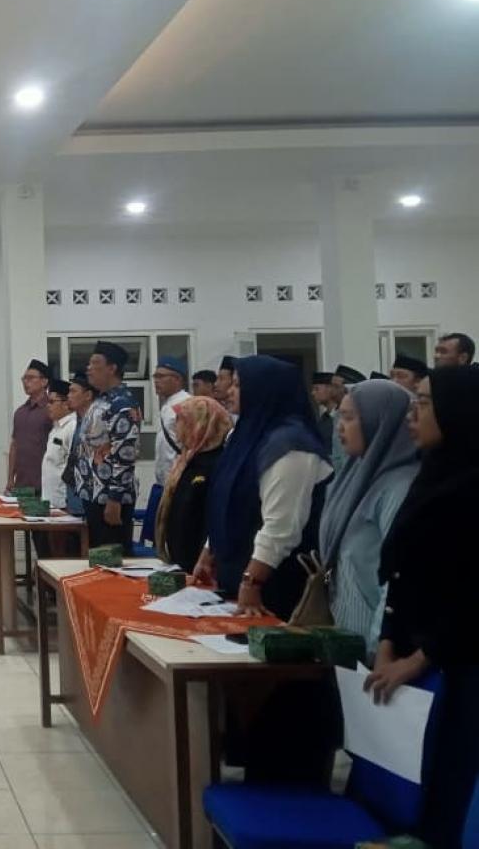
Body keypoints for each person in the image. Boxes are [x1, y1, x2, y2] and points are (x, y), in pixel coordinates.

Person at [364, 365, 479, 848]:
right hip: (409, 652)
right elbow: (401, 572)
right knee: (403, 785)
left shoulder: (471, 488)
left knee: (449, 784)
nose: (413, 414)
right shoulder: (430, 475)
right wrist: (389, 643)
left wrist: (419, 658)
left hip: (459, 663)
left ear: (458, 412)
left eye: (425, 403)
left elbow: (472, 596)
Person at [194, 356, 332, 618]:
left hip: (273, 584)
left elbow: (282, 527)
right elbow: (227, 501)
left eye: (238, 385)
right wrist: (209, 551)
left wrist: (252, 581)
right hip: (238, 575)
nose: (229, 391)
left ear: (265, 390)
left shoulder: (292, 446)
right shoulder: (247, 434)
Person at [316, 379, 417, 652]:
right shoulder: (356, 475)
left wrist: (379, 647)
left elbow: (395, 579)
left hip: (373, 650)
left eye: (349, 418)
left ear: (380, 422)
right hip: (344, 637)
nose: (340, 427)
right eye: (340, 417)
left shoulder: (399, 486)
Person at [75, 342, 140, 550]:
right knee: (97, 556)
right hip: (93, 493)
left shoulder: (122, 404)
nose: (89, 369)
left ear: (112, 368)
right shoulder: (101, 400)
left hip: (109, 498)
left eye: (95, 364)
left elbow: (125, 454)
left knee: (111, 558)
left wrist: (115, 499)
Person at [155, 396, 231, 571]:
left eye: (182, 421)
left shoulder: (218, 464)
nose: (177, 427)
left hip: (202, 564)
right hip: (180, 561)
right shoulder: (186, 460)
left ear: (200, 424)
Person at [146, 357, 192, 549]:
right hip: (165, 484)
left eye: (161, 376)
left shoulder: (186, 404)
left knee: (174, 540)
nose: (156, 381)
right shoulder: (168, 405)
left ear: (178, 379)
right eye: (155, 376)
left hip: (179, 483)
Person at [5, 359, 52, 493]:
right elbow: (14, 445)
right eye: (24, 378)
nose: (26, 382)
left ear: (44, 381)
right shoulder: (20, 412)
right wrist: (10, 478)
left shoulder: (51, 409)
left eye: (31, 378)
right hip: (22, 484)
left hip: (45, 484)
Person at [61, 372, 96, 516]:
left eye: (73, 391)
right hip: (74, 498)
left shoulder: (95, 423)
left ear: (88, 395)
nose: (68, 396)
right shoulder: (78, 422)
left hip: (90, 500)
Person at [40, 378, 75, 512]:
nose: (48, 406)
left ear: (66, 403)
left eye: (52, 402)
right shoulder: (56, 428)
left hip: (64, 502)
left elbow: (73, 467)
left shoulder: (72, 427)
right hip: (51, 501)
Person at [310, 371, 336, 449]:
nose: (313, 393)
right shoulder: (324, 419)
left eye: (316, 389)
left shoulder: (344, 417)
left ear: (330, 389)